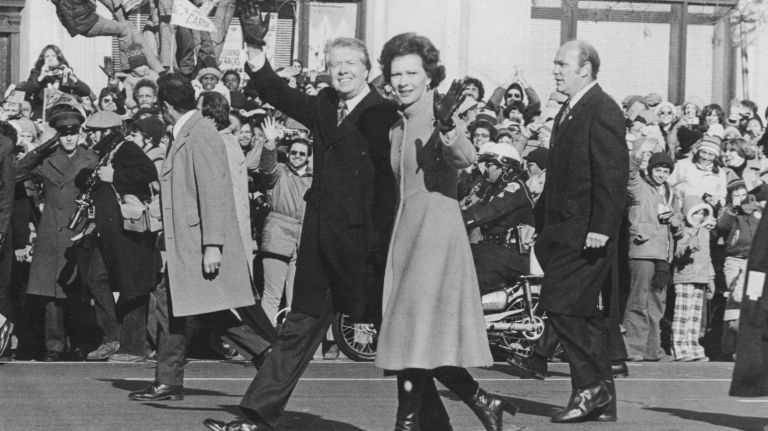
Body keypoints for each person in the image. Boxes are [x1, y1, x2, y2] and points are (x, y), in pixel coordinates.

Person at [203, 6, 398, 430]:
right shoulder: (327, 105)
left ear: (368, 69)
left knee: (404, 336)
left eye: (350, 64)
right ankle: (256, 417)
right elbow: (277, 91)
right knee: (297, 330)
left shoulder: (384, 114)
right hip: (318, 243)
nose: (341, 71)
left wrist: (380, 244)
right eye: (334, 65)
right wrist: (255, 46)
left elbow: (389, 188)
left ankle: (470, 400)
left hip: (365, 250)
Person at [374, 33, 518, 431]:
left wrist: (449, 125)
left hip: (436, 237)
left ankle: (406, 423)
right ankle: (483, 400)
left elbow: (466, 157)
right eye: (396, 73)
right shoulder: (395, 125)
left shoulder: (439, 115)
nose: (402, 81)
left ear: (428, 76)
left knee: (411, 333)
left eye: (411, 73)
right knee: (414, 337)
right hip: (406, 237)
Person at [128, 73, 275, 402]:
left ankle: (264, 353)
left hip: (197, 244)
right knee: (177, 305)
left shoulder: (201, 133)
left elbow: (213, 193)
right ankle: (169, 381)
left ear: (165, 106)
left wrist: (213, 246)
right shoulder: (188, 131)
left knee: (199, 308)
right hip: (185, 242)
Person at [533, 40, 628, 423]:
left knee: (560, 304)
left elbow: (612, 173)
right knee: (583, 315)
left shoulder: (601, 108)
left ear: (585, 68)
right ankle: (602, 399)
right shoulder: (568, 111)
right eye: (554, 63)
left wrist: (602, 228)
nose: (555, 70)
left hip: (587, 233)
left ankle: (591, 388)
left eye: (562, 64)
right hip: (565, 230)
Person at [15, 104, 99, 361]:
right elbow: (15, 173)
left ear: (80, 133)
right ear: (56, 135)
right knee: (51, 294)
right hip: (51, 232)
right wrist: (41, 148)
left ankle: (80, 344)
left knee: (78, 291)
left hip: (79, 231)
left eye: (73, 131)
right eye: (63, 133)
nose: (69, 137)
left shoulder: (91, 159)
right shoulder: (46, 160)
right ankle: (54, 346)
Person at [76, 111, 158, 362]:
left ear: (109, 132)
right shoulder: (105, 155)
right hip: (110, 233)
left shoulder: (126, 149)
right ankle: (112, 338)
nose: (91, 137)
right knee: (95, 278)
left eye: (96, 133)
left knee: (131, 286)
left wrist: (116, 177)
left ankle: (134, 349)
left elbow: (148, 172)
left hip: (129, 233)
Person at [622, 147, 681, 362]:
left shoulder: (672, 193)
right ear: (650, 169)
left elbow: (680, 223)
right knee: (638, 299)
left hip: (663, 255)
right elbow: (629, 171)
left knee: (657, 303)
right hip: (642, 250)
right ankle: (633, 349)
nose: (661, 174)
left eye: (666, 170)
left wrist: (677, 224)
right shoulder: (639, 186)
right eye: (658, 169)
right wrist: (639, 151)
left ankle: (652, 350)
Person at [254, 118, 313, 323]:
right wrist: (270, 143)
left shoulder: (313, 178)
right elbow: (266, 168)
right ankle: (265, 343)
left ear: (308, 158)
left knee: (295, 299)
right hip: (278, 238)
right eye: (294, 152)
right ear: (288, 154)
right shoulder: (280, 171)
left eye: (302, 154)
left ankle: (290, 345)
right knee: (272, 294)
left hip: (301, 242)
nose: (297, 156)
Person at [464, 143, 535, 294]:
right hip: (494, 252)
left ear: (506, 168)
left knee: (463, 279)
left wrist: (459, 223)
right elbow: (474, 211)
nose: (484, 170)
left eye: (489, 165)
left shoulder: (515, 189)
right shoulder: (493, 189)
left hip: (511, 258)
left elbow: (486, 213)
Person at [671, 198, 715, 361]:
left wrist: (710, 278)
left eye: (702, 213)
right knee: (683, 314)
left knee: (695, 316)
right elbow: (677, 253)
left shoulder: (705, 232)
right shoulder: (684, 230)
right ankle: (680, 348)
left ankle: (693, 347)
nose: (698, 216)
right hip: (685, 277)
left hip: (701, 278)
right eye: (695, 213)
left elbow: (707, 258)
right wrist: (689, 247)